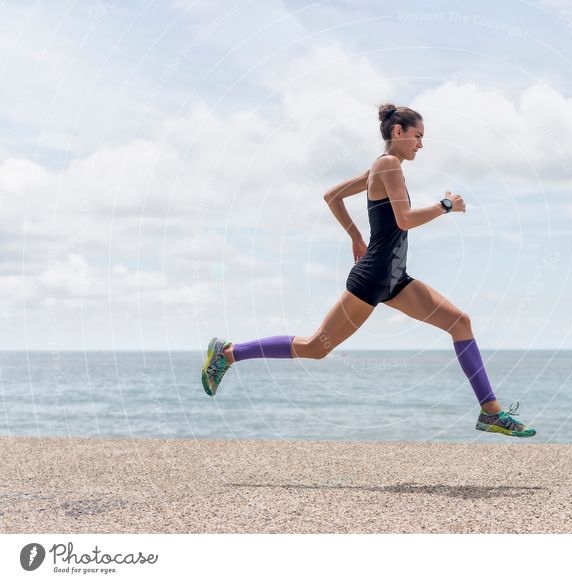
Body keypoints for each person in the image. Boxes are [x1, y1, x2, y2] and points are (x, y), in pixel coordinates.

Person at [201, 103, 536, 438]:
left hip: (395, 278)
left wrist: (356, 236)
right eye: (418, 136)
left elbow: (332, 195)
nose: (421, 144)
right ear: (398, 132)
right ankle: (227, 354)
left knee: (459, 322)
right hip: (373, 277)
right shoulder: (389, 164)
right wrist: (445, 206)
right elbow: (404, 219)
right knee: (317, 347)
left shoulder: (381, 168)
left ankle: (490, 412)